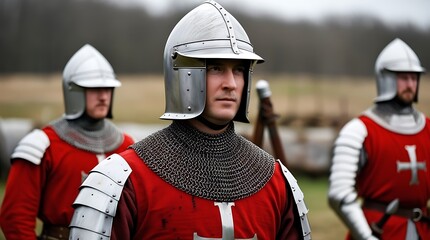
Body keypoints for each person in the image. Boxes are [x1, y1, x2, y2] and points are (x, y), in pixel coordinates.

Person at [68, 1, 311, 239]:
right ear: (183, 73)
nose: (231, 83)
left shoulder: (276, 179)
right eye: (215, 68)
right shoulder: (124, 179)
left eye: (238, 69)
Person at [0, 44, 135, 240]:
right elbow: (15, 217)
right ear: (74, 92)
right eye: (95, 89)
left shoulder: (126, 146)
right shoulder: (42, 145)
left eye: (108, 88)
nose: (104, 96)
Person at [328, 38, 430, 240]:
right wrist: (366, 236)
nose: (410, 84)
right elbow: (339, 194)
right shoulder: (359, 130)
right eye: (403, 78)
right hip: (378, 230)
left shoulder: (428, 128)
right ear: (386, 78)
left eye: (414, 77)